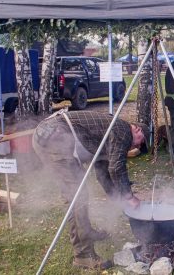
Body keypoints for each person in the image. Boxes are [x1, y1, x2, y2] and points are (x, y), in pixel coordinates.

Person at [32, 110, 149, 270]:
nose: (136, 147)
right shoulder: (123, 130)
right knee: (77, 194)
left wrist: (119, 200)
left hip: (51, 134)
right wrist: (129, 196)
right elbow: (116, 168)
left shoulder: (110, 134)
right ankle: (83, 255)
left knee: (76, 193)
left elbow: (104, 174)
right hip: (54, 136)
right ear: (136, 129)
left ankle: (86, 232)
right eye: (141, 142)